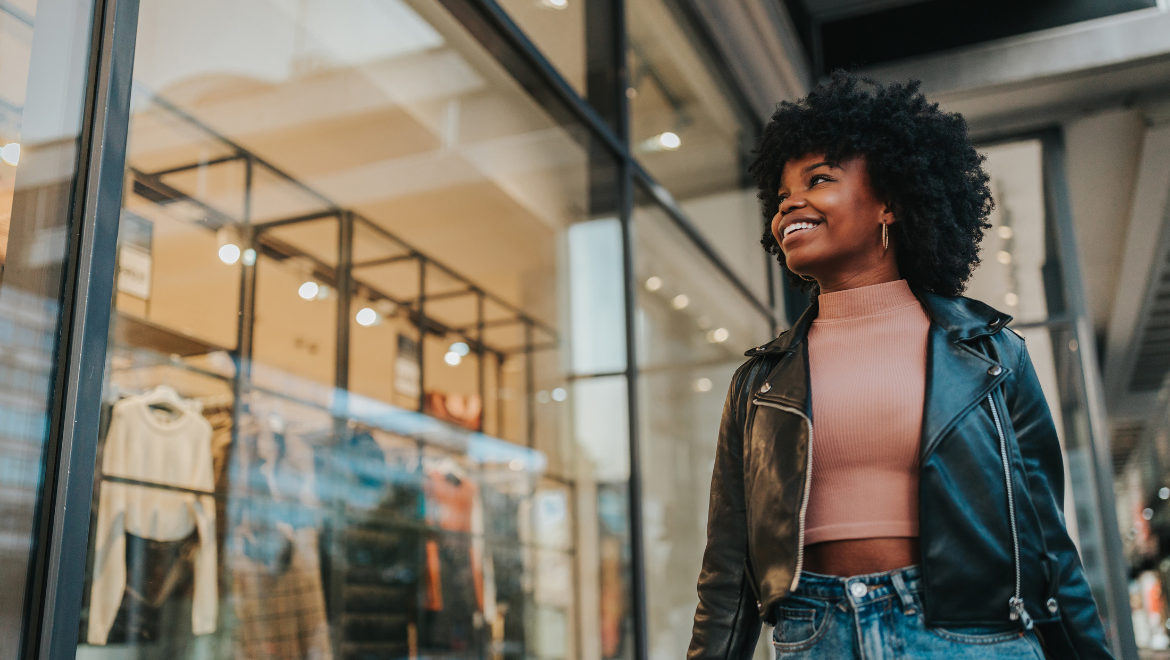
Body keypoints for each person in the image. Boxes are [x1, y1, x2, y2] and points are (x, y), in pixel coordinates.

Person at [687, 72, 1113, 660]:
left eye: (819, 179)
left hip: (971, 637)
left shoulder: (991, 354)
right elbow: (727, 572)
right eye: (781, 194)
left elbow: (1046, 540)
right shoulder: (758, 384)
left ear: (889, 202)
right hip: (816, 636)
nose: (789, 203)